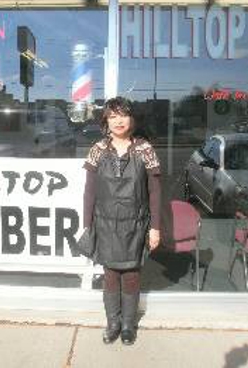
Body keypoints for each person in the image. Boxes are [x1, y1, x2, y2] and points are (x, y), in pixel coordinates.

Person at [82, 97, 161, 346]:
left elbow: (155, 192)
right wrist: (87, 225)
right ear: (106, 120)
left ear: (132, 119)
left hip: (136, 225)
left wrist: (155, 228)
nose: (118, 120)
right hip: (105, 225)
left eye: (123, 115)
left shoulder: (145, 149)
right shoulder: (97, 149)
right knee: (110, 275)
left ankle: (128, 325)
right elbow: (89, 192)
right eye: (113, 116)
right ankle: (112, 323)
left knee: (131, 275)